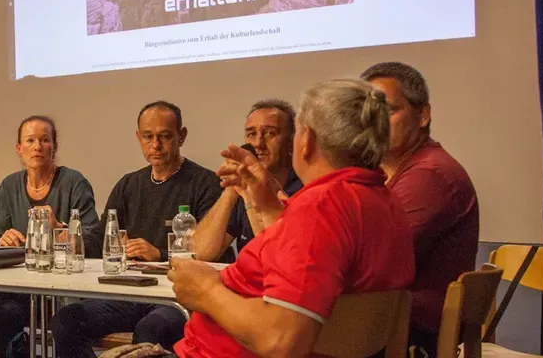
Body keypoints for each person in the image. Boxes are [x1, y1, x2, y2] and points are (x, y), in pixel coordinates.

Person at [166, 79, 415, 357]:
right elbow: (301, 262)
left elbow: (282, 339)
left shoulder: (321, 207)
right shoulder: (384, 201)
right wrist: (264, 203)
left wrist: (205, 289)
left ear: (306, 140)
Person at [51, 101, 224, 358]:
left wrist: (161, 254)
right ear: (138, 137)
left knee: (150, 330)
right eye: (148, 136)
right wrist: (70, 237)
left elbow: (210, 251)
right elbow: (101, 237)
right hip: (129, 292)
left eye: (164, 136)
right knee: (66, 320)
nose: (156, 144)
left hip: (176, 297)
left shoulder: (205, 183)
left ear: (181, 136)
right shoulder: (129, 184)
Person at [361, 62, 479, 356]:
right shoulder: (388, 173)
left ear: (423, 115)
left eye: (387, 111)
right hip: (387, 323)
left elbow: (370, 262)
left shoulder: (428, 174)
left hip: (409, 336)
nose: (375, 124)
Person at [0, 115, 99, 358]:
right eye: (30, 140)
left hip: (65, 287)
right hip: (24, 285)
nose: (37, 147)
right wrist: (3, 239)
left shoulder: (73, 182)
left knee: (0, 301)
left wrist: (59, 229)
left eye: (44, 140)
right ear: (19, 149)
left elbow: (94, 242)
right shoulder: (10, 185)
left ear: (54, 147)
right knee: (3, 307)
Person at [195, 99, 302, 262]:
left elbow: (284, 256)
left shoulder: (306, 186)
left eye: (270, 133)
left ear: (291, 142)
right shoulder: (244, 185)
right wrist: (232, 190)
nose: (258, 143)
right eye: (252, 134)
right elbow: (201, 253)